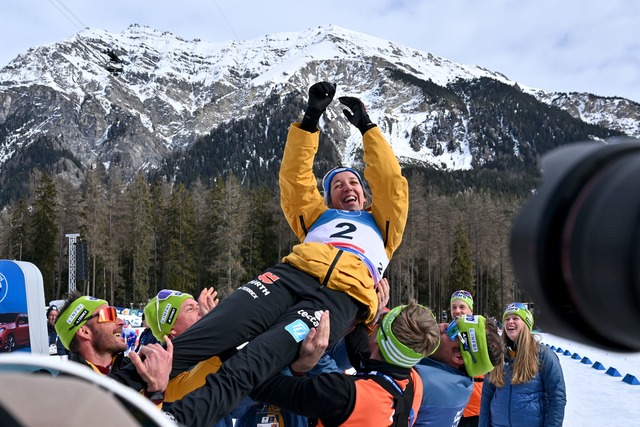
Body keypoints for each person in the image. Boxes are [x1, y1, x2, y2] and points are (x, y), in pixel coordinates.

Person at [110, 81, 409, 426]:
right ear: (328, 198)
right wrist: (311, 118)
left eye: (353, 182)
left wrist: (367, 128)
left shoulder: (383, 226)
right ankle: (107, 393)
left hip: (335, 302)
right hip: (287, 277)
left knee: (250, 365)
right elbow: (295, 180)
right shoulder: (316, 218)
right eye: (337, 185)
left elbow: (391, 183)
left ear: (364, 193)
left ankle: (178, 419)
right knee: (203, 337)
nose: (347, 187)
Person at [250, 302, 440, 427]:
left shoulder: (341, 393)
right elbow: (366, 359)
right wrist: (362, 316)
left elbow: (258, 385)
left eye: (378, 324)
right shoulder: (414, 383)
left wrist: (298, 368)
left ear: (377, 338)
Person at [54, 291, 172, 401]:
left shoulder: (130, 365)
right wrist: (155, 394)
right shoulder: (67, 388)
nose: (121, 321)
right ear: (85, 332)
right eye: (109, 314)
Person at [479, 303, 566, 427]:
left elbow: (557, 398)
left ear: (526, 324)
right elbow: (486, 397)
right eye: (507, 319)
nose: (510, 322)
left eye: (515, 318)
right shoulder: (497, 355)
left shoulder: (544, 355)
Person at [413, 314, 503, 427]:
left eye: (451, 330)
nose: (441, 326)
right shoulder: (461, 382)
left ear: (459, 358)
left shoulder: (421, 381)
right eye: (451, 322)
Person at [450, 290, 484, 427]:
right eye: (454, 307)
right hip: (452, 404)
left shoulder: (481, 333)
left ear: (470, 310)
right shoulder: (446, 332)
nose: (457, 311)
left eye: (462, 307)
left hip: (475, 407)